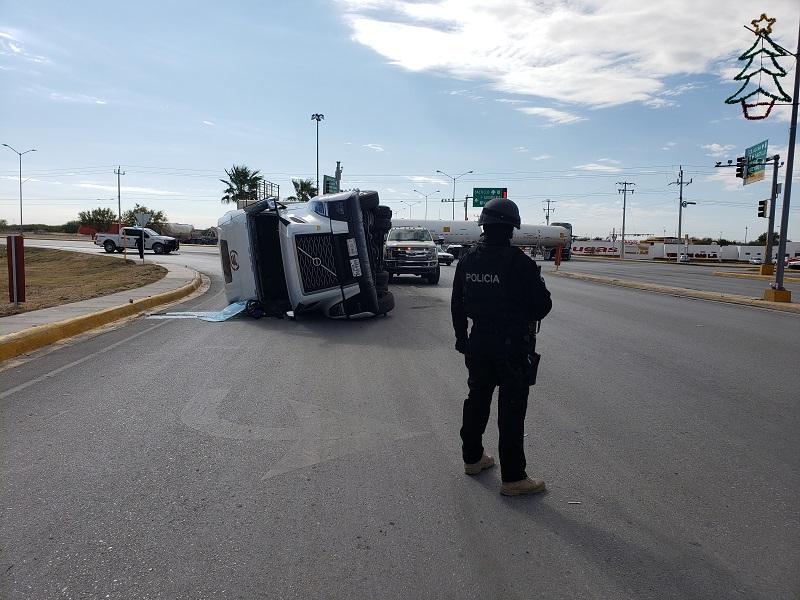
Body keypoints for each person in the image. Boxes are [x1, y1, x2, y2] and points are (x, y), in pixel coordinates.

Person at [451, 198, 552, 496]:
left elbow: (457, 303)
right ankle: (513, 478)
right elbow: (542, 306)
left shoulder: (468, 260)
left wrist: (462, 338)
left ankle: (472, 459)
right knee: (511, 409)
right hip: (511, 346)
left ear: (484, 225)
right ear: (511, 228)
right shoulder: (520, 263)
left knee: (477, 399)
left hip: (478, 341)